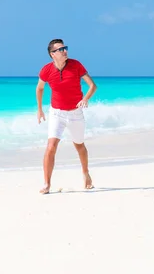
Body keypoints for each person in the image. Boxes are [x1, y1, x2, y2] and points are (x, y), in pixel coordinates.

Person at [36, 38, 97, 194]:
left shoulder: (76, 65)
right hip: (57, 113)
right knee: (51, 147)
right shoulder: (46, 70)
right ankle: (46, 183)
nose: (65, 51)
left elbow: (92, 85)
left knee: (79, 145)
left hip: (75, 113)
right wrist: (40, 109)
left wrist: (85, 99)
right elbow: (40, 89)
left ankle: (86, 173)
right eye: (60, 49)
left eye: (65, 48)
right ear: (52, 54)